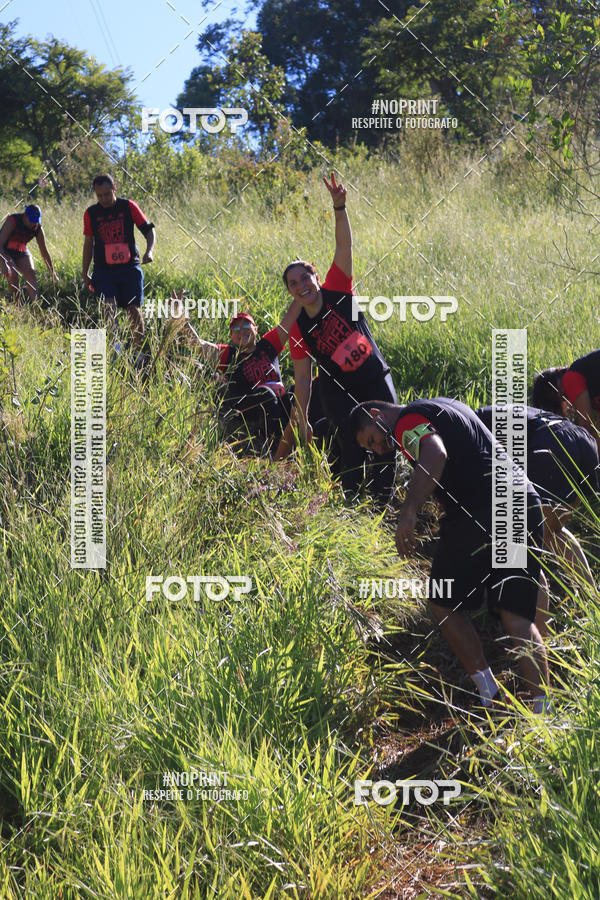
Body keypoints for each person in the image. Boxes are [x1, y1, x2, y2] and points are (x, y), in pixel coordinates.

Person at [349, 397, 551, 714]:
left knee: (443, 602)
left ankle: (491, 697)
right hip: (520, 501)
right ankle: (545, 711)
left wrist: (410, 510)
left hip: (481, 511)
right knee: (516, 613)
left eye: (372, 440)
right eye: (370, 449)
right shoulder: (445, 406)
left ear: (377, 415)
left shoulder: (407, 421)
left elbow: (435, 452)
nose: (378, 450)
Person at [284, 173, 397, 505]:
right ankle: (350, 504)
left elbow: (344, 245)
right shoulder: (298, 329)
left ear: (317, 277)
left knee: (386, 438)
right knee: (351, 445)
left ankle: (382, 503)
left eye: (306, 277)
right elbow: (303, 380)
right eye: (293, 283)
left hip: (373, 377)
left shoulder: (338, 289)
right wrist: (302, 421)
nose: (302, 284)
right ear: (290, 291)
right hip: (339, 391)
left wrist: (339, 206)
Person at [476, 405, 598, 593]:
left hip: (554, 444)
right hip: (584, 442)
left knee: (522, 537)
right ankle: (592, 599)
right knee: (553, 533)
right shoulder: (480, 416)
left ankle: (534, 615)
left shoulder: (467, 427)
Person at [168, 294, 302, 457]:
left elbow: (289, 319)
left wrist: (305, 290)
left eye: (246, 325)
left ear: (256, 329)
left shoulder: (268, 345)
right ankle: (279, 448)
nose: (241, 331)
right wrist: (181, 318)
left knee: (299, 390)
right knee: (266, 393)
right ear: (232, 336)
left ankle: (305, 441)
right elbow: (197, 344)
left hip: (279, 404)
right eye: (236, 329)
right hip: (248, 407)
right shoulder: (229, 355)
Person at [82, 174, 155, 363]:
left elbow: (149, 230)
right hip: (104, 271)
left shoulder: (128, 206)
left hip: (129, 269)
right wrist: (85, 272)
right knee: (108, 306)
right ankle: (116, 350)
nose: (104, 199)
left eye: (107, 194)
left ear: (115, 188)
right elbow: (88, 243)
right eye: (99, 195)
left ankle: (139, 355)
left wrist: (149, 251)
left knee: (134, 310)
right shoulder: (91, 213)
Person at [533, 350, 600, 455]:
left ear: (560, 370)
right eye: (556, 398)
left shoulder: (570, 377)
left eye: (555, 387)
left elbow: (588, 428)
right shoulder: (591, 390)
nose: (560, 395)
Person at [0, 204, 57, 304]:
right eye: (31, 220)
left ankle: (36, 305)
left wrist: (53, 274)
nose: (33, 224)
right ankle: (17, 305)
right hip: (4, 251)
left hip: (20, 250)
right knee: (12, 272)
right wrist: (4, 263)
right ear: (25, 216)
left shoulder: (37, 228)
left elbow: (44, 252)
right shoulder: (13, 221)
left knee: (30, 273)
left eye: (36, 221)